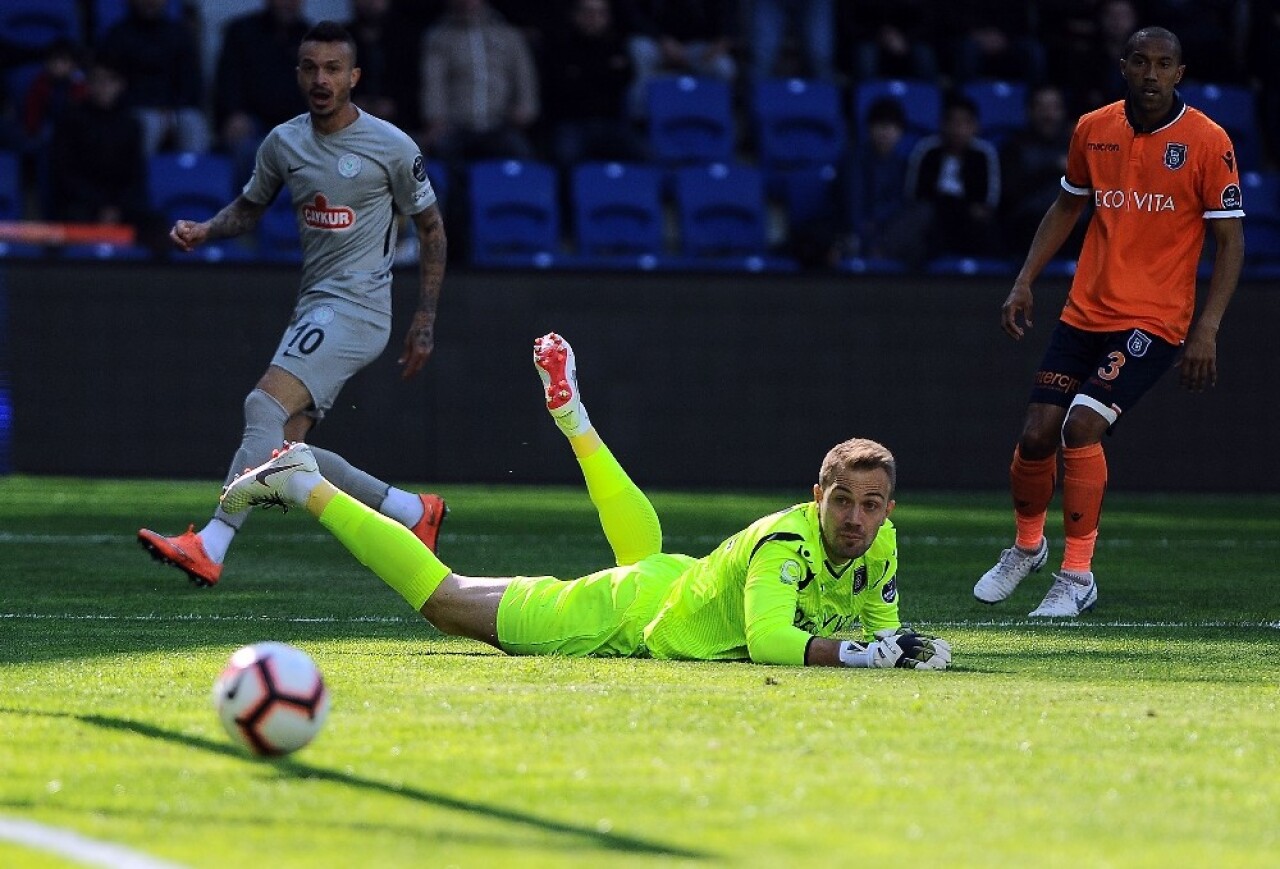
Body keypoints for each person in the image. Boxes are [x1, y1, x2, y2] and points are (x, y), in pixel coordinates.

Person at [219, 332, 953, 670]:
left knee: (645, 554)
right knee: (446, 602)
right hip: (628, 613)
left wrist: (904, 649)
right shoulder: (786, 543)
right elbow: (769, 644)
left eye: (872, 505)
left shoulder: (879, 543)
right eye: (844, 502)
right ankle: (304, 480)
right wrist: (857, 655)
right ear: (815, 496)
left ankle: (575, 420)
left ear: (888, 508)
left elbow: (878, 624)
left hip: (672, 580)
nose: (857, 519)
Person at [138, 21, 450, 587]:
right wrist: (206, 230)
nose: (321, 78)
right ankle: (412, 510)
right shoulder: (284, 143)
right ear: (298, 74)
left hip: (358, 310)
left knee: (261, 406)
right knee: (285, 455)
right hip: (314, 305)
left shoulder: (391, 146)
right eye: (310, 67)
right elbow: (251, 206)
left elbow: (431, 229)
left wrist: (424, 317)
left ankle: (210, 544)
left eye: (333, 68)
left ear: (354, 76)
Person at [973, 27, 1245, 617]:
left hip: (1155, 319)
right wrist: (1024, 280)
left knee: (1081, 426)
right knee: (1035, 436)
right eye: (1141, 61)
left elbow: (1231, 240)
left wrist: (1207, 327)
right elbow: (1069, 203)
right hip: (1084, 310)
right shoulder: (1093, 129)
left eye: (1164, 64)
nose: (1151, 73)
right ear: (1124, 66)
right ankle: (1026, 547)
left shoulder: (1206, 140)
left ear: (1180, 73)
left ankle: (1077, 576)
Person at [418, 0, 540, 163]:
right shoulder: (440, 37)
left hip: (501, 124)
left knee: (523, 155)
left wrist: (525, 108)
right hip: (457, 126)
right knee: (438, 153)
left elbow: (524, 77)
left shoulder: (508, 35)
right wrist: (435, 118)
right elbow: (433, 83)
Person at [539, 0, 650, 168]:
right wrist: (602, 74)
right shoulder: (558, 46)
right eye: (588, 12)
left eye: (601, 13)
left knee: (648, 156)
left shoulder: (616, 45)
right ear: (575, 14)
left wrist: (582, 75)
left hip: (611, 123)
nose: (594, 18)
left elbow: (625, 78)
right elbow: (560, 88)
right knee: (565, 158)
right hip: (572, 123)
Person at [214, 0, 311, 186]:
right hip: (251, 123)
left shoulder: (311, 38)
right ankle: (248, 212)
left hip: (297, 125)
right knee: (247, 149)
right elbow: (226, 82)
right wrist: (233, 114)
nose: (288, 4)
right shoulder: (241, 31)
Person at [97, 0, 212, 155]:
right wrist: (153, 109)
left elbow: (191, 82)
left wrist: (170, 109)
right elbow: (112, 85)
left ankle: (194, 176)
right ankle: (138, 177)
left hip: (175, 109)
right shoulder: (118, 36)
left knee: (193, 122)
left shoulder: (180, 34)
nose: (150, 2)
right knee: (149, 123)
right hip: (135, 109)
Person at [903, 92, 1002, 259]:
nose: (958, 129)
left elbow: (988, 200)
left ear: (975, 126)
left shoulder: (984, 154)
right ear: (942, 124)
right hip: (936, 217)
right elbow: (914, 194)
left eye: (965, 123)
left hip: (968, 220)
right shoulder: (927, 150)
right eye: (953, 122)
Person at [998, 83, 1077, 258]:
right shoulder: (1014, 147)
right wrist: (1053, 168)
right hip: (1028, 229)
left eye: (1054, 108)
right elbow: (1011, 193)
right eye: (1042, 107)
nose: (1049, 115)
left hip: (1074, 228)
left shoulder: (1076, 145)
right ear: (1030, 111)